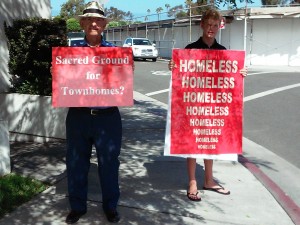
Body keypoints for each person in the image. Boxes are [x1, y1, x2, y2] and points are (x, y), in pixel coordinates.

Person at [168, 8, 247, 202]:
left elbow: (229, 77)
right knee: (193, 142)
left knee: (210, 140)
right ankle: (193, 181)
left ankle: (209, 180)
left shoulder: (223, 51)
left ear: (219, 27)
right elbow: (182, 74)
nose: (211, 28)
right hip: (194, 104)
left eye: (214, 25)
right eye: (208, 25)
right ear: (202, 25)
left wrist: (241, 72)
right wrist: (173, 66)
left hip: (213, 106)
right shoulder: (190, 48)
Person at [64, 1, 123, 223]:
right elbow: (65, 83)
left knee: (109, 163)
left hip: (108, 118)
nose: (94, 23)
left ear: (104, 25)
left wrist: (127, 71)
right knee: (76, 162)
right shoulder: (70, 53)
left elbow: (121, 84)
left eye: (98, 20)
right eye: (89, 19)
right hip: (78, 117)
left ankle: (111, 206)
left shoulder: (115, 53)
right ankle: (77, 207)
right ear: (82, 23)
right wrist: (56, 72)